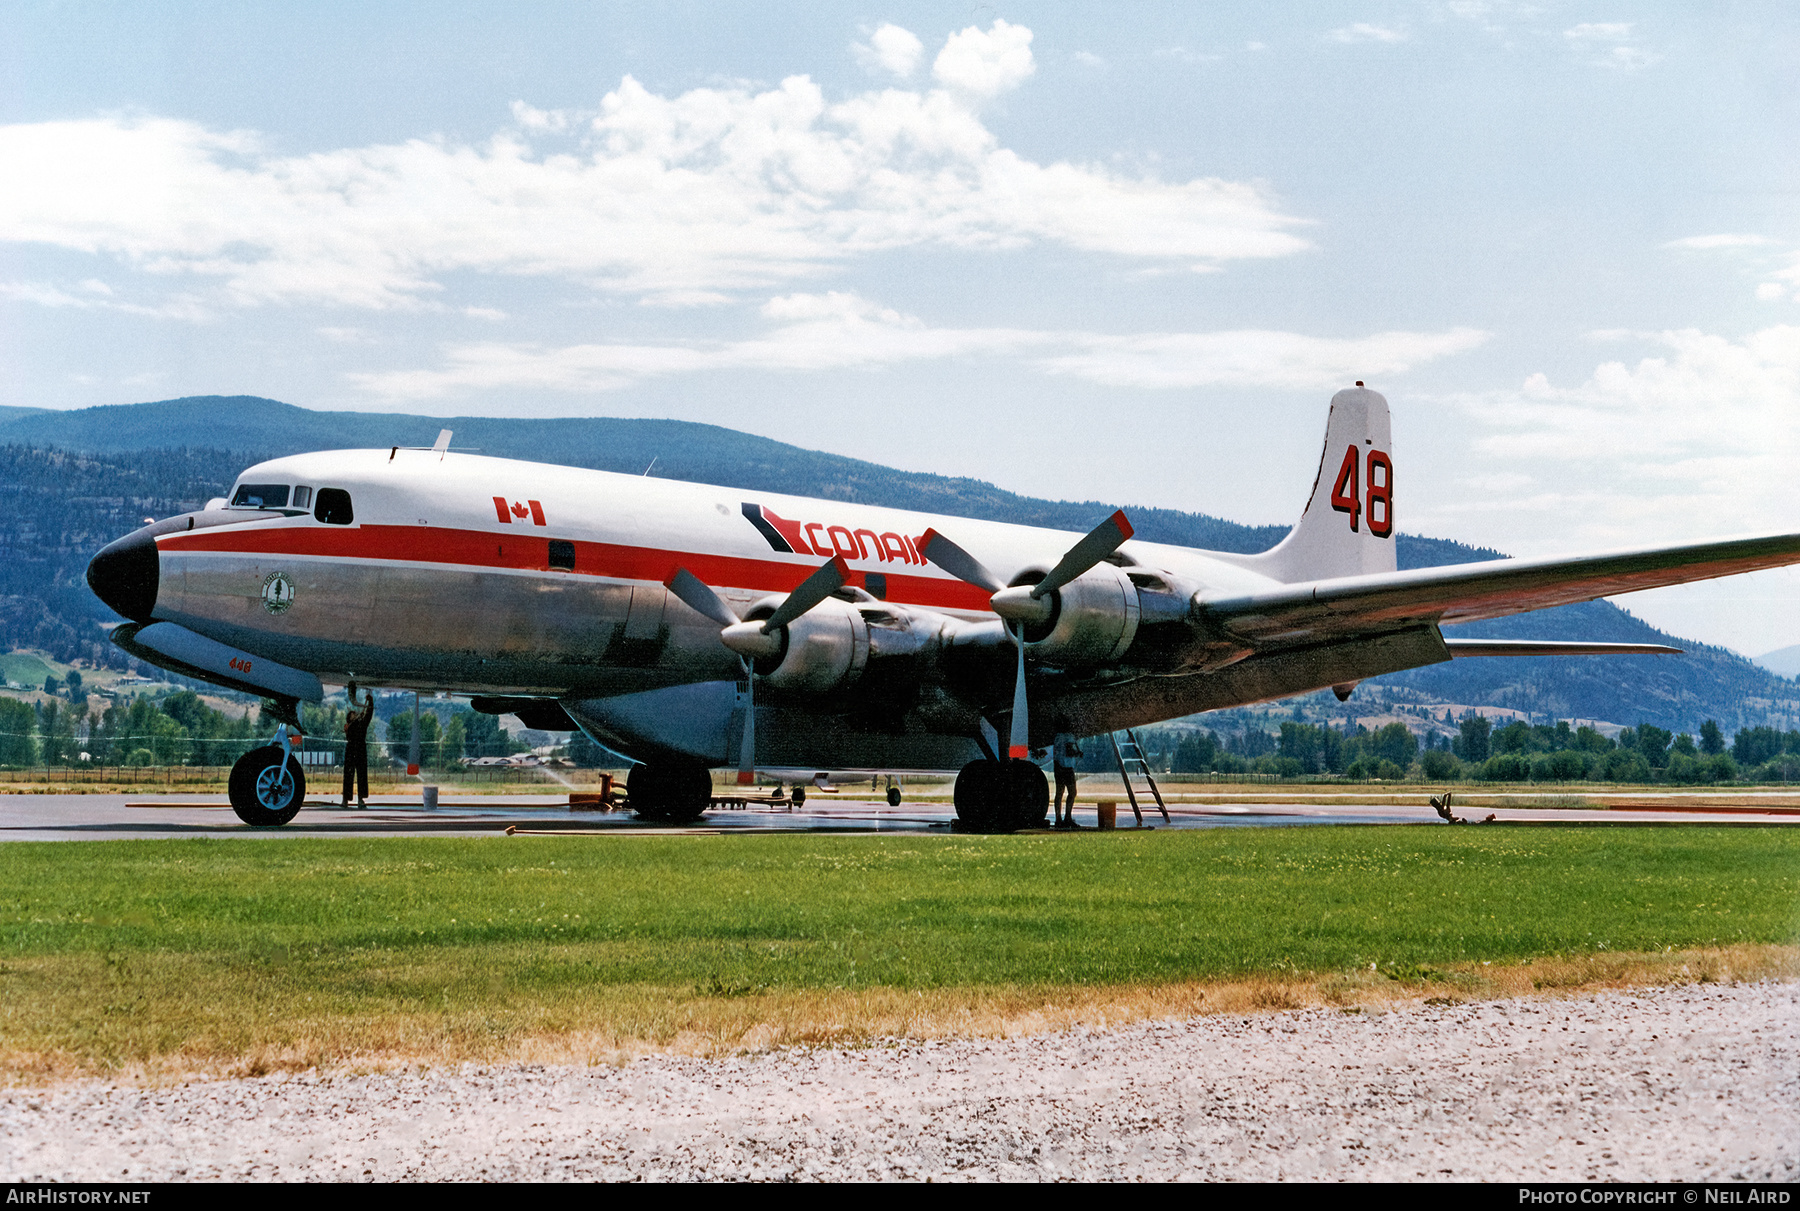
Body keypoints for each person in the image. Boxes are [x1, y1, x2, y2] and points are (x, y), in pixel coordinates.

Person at [342, 681, 374, 809]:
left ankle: (360, 800)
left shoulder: (361, 723)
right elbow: (351, 726)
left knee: (361, 775)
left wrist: (370, 702)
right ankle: (345, 800)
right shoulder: (350, 726)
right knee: (348, 776)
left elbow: (369, 714)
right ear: (350, 718)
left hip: (359, 749)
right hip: (353, 749)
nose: (355, 713)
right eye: (352, 714)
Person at [1052, 727, 1082, 827]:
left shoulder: (1057, 737)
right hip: (1067, 767)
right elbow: (1069, 751)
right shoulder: (1069, 736)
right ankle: (1068, 817)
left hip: (1058, 766)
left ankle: (1058, 819)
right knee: (1072, 792)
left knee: (1059, 793)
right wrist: (1077, 753)